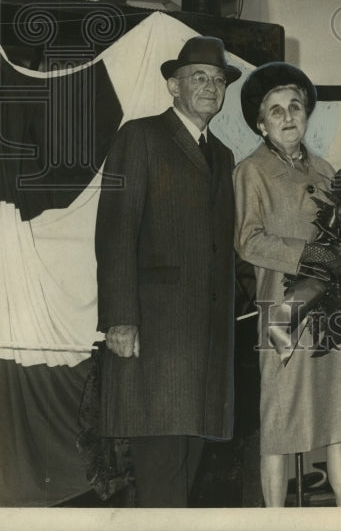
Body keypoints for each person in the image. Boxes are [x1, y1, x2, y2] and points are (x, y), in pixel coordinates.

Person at [95, 36, 240, 507]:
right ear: (173, 86)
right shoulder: (139, 136)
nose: (211, 87)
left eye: (218, 80)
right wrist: (120, 317)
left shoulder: (222, 155)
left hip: (205, 340)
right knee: (160, 470)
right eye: (199, 77)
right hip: (154, 334)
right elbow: (115, 231)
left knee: (188, 467)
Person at [233, 62, 341, 507]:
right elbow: (248, 241)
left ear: (307, 112)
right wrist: (313, 256)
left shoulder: (327, 170)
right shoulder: (251, 171)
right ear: (260, 122)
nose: (288, 116)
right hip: (285, 310)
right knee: (280, 424)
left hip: (334, 310)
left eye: (295, 106)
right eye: (275, 111)